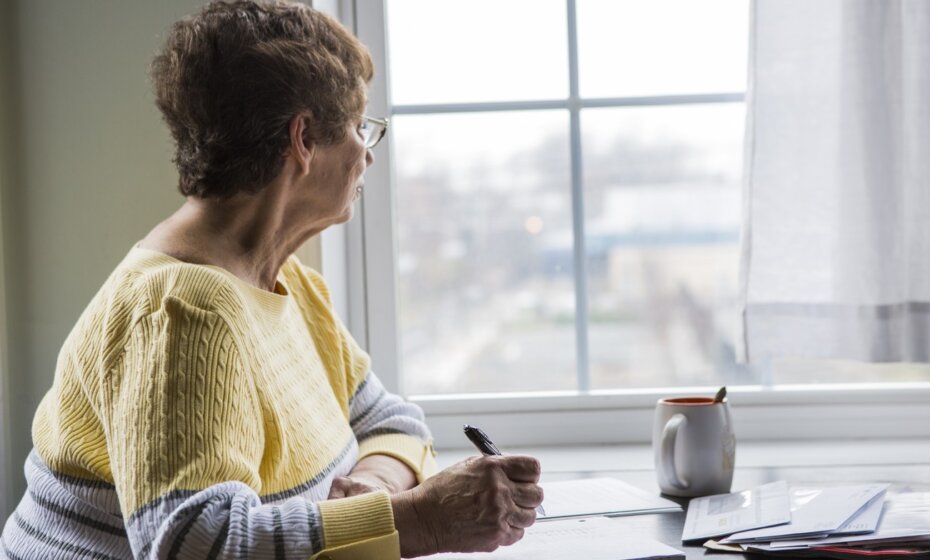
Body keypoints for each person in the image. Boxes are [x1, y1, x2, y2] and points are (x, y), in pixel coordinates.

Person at [0, 1, 543, 558]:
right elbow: (192, 545)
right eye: (359, 127)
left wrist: (373, 493)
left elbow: (390, 419)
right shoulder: (184, 311)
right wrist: (420, 519)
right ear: (302, 139)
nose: (367, 154)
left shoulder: (288, 283)